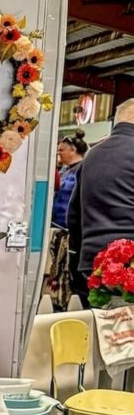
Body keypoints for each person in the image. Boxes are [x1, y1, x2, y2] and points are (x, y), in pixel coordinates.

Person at [68, 99, 134, 307]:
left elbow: (73, 216)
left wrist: (82, 259)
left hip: (94, 267)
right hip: (129, 268)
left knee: (102, 334)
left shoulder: (92, 155)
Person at [47, 131, 88, 310]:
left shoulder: (83, 169)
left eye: (62, 150)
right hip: (56, 229)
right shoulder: (63, 171)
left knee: (69, 275)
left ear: (73, 150)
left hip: (70, 232)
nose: (59, 154)